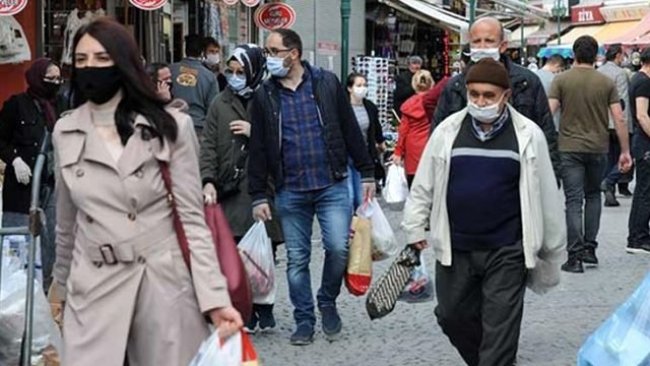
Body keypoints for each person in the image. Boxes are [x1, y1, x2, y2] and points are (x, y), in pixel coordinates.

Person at [48, 18, 242, 365]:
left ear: (124, 64)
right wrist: (59, 287)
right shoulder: (66, 130)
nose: (90, 68)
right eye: (81, 60)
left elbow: (192, 222)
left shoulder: (171, 127)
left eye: (101, 58)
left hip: (162, 286)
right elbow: (66, 222)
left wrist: (214, 298)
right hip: (93, 286)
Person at [402, 58, 565, 366]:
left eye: (488, 96)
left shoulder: (528, 135)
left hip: (507, 249)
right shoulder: (447, 132)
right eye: (474, 94)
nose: (480, 102)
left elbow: (546, 196)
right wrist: (414, 228)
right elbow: (424, 185)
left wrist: (552, 250)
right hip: (455, 247)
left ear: (506, 95)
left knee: (499, 330)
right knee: (451, 316)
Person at [248, 29, 375, 345]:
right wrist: (258, 195)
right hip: (290, 189)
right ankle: (304, 319)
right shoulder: (265, 95)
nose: (269, 57)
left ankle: (327, 299)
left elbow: (348, 129)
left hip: (331, 183)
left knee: (337, 248)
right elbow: (259, 147)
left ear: (293, 53)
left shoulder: (326, 82)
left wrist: (368, 171)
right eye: (267, 51)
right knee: (297, 259)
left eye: (273, 51)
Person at [200, 44, 284, 333]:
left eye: (241, 72)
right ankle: (243, 308)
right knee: (235, 253)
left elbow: (284, 139)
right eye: (231, 71)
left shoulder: (269, 98)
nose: (235, 77)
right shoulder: (219, 103)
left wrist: (254, 132)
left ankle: (264, 307)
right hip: (230, 187)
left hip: (263, 186)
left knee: (263, 253)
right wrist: (208, 179)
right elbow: (208, 145)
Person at [433, 17, 559, 178]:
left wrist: (551, 178)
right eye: (477, 42)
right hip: (464, 175)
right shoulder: (455, 87)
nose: (482, 47)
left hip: (517, 177)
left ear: (503, 46)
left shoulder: (527, 82)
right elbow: (438, 133)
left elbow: (545, 131)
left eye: (489, 41)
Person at [548, 35, 633, 273]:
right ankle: (590, 250)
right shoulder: (605, 83)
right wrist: (625, 151)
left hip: (568, 147)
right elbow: (619, 117)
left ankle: (574, 257)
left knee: (573, 200)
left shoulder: (561, 80)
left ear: (574, 54)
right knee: (593, 196)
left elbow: (549, 111)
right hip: (598, 147)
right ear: (596, 55)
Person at [0, 57, 62, 291]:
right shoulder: (17, 105)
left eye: (58, 79)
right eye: (50, 78)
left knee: (50, 243)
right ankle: (17, 295)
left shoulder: (59, 107)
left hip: (51, 185)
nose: (55, 83)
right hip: (23, 188)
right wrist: (15, 160)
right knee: (20, 243)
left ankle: (42, 292)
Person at [598, 43, 634, 206]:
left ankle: (609, 192)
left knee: (609, 157)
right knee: (625, 156)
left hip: (601, 122)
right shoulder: (620, 74)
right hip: (616, 121)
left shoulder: (598, 72)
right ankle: (609, 181)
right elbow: (622, 101)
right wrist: (626, 126)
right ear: (618, 55)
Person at [346, 72, 385, 209]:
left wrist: (380, 142)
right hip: (345, 155)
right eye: (359, 85)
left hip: (363, 155)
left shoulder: (370, 107)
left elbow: (376, 127)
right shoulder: (343, 107)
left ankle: (358, 225)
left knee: (360, 196)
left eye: (365, 85)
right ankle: (347, 225)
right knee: (348, 195)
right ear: (350, 88)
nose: (362, 88)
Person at [392, 70, 434, 187]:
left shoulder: (408, 105)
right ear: (431, 83)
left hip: (412, 148)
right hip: (430, 144)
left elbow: (403, 131)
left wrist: (398, 151)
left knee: (414, 185)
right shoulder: (435, 103)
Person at [170, 34, 219, 135]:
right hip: (197, 128)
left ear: (185, 50)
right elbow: (212, 109)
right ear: (202, 52)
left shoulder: (170, 70)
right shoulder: (209, 76)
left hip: (172, 124)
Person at [627, 47, 650, 254]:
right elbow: (643, 115)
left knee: (644, 189)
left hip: (641, 142)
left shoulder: (638, 79)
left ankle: (637, 235)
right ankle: (638, 237)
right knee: (645, 190)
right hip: (645, 143)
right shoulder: (643, 82)